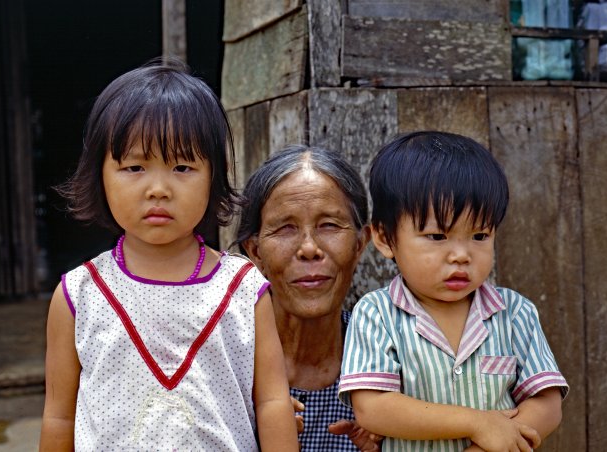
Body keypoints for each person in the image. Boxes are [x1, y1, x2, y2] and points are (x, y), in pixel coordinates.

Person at [39, 60, 298, 451]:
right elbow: (60, 416)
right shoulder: (79, 296)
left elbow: (273, 403)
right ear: (99, 174)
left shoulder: (243, 290)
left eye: (182, 166)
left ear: (215, 174)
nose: (158, 188)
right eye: (135, 166)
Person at [339, 131, 569, 451]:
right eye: (437, 236)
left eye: (479, 235)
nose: (461, 255)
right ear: (384, 238)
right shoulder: (376, 314)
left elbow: (547, 402)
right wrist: (477, 422)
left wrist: (489, 445)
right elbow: (373, 408)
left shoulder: (515, 313)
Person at [236, 145, 382, 451]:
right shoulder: (225, 366)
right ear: (255, 250)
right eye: (286, 228)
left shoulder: (392, 362)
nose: (309, 248)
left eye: (329, 225)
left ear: (359, 244)